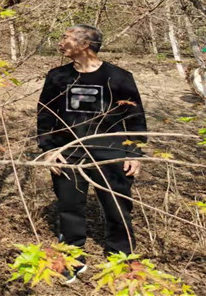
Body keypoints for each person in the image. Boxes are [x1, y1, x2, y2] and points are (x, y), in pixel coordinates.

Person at [36, 24, 147, 283]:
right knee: (70, 207)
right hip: (68, 153)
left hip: (110, 152)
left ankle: (122, 259)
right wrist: (49, 149)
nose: (60, 42)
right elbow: (45, 115)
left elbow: (135, 117)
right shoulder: (57, 77)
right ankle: (73, 259)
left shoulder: (118, 76)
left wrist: (134, 152)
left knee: (118, 207)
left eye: (66, 37)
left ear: (85, 45)